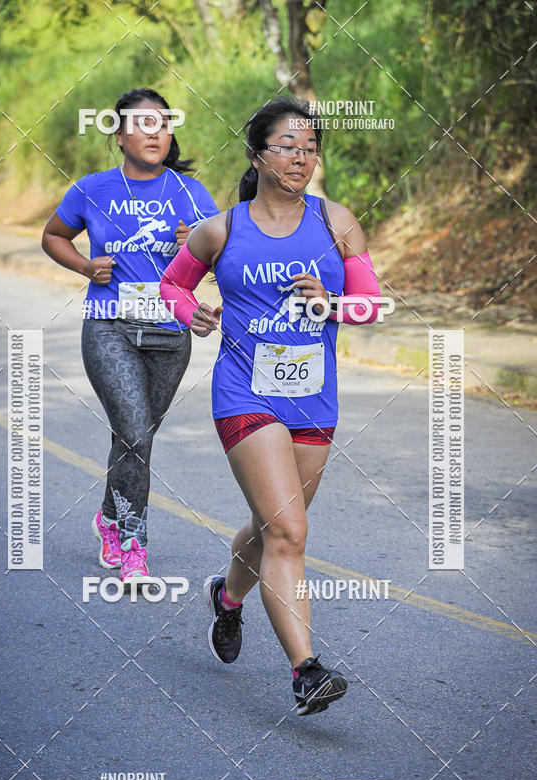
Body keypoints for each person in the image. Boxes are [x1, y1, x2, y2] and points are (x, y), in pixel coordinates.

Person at [160, 99, 382, 715]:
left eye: (310, 147)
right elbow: (174, 284)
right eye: (288, 145)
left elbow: (371, 304)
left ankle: (226, 600)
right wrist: (191, 312)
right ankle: (306, 670)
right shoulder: (222, 229)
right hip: (244, 393)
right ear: (256, 155)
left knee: (269, 529)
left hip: (313, 394)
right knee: (289, 530)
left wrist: (332, 303)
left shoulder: (336, 221)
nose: (301, 157)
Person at [42, 88, 218, 586]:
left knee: (135, 439)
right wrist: (84, 265)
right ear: (118, 136)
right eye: (141, 125)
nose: (154, 133)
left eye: (162, 123)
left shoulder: (189, 193)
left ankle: (106, 516)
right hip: (108, 326)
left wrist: (198, 246)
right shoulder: (92, 189)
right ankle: (134, 545)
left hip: (169, 331)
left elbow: (222, 256)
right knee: (135, 431)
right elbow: (52, 235)